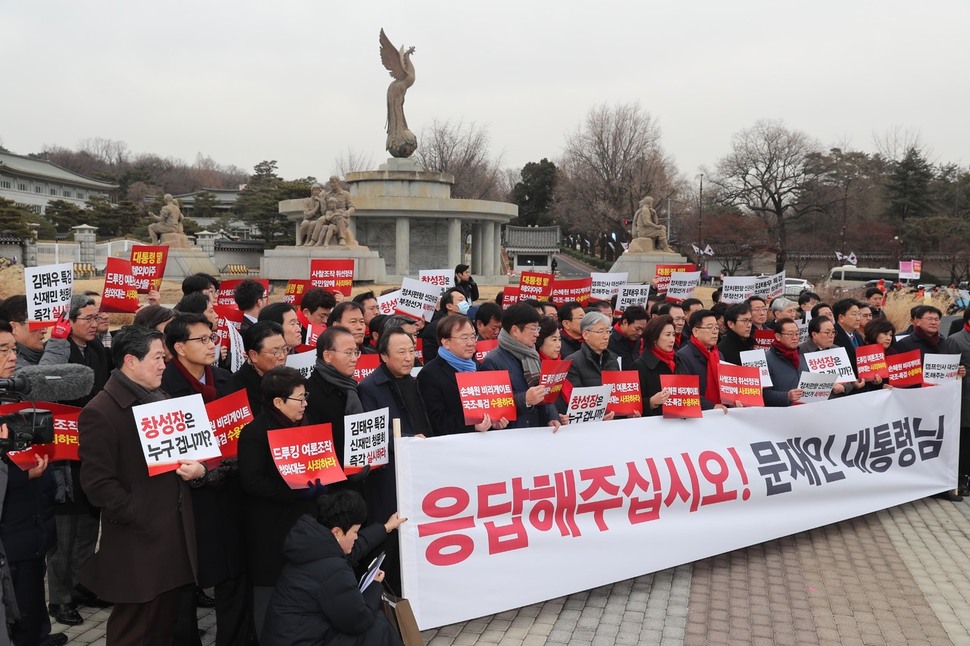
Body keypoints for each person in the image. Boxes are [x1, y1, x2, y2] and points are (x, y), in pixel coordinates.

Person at [78, 325, 207, 646]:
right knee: (134, 632)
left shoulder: (160, 399)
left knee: (162, 629)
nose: (164, 364)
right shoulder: (101, 411)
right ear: (130, 362)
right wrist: (140, 512)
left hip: (173, 537)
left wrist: (197, 467)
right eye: (157, 358)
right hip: (140, 542)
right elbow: (97, 485)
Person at [161, 314, 251, 646]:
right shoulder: (163, 390)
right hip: (184, 499)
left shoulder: (227, 381)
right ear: (179, 348)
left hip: (228, 490)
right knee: (186, 581)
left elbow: (243, 436)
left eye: (212, 337)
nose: (212, 344)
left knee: (233, 572)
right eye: (202, 340)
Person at [260, 491, 404, 646]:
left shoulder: (312, 545)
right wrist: (375, 585)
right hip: (303, 641)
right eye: (355, 532)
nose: (356, 537)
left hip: (289, 637)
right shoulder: (333, 569)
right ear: (336, 532)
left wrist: (386, 527)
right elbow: (359, 620)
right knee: (377, 626)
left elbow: (356, 546)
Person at [237, 367, 319, 636]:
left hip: (304, 523)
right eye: (300, 398)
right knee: (269, 596)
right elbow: (251, 481)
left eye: (305, 396)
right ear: (278, 402)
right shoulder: (255, 433)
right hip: (269, 529)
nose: (305, 403)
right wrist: (292, 492)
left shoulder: (306, 424)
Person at [358, 326, 432, 590]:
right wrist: (407, 443)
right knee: (391, 542)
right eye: (401, 352)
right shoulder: (368, 387)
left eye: (412, 350)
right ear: (384, 356)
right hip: (388, 477)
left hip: (419, 470)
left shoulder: (415, 381)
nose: (408, 357)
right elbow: (373, 436)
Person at [418, 316, 507, 437]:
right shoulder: (429, 374)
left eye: (473, 336)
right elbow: (435, 421)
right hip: (452, 448)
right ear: (446, 342)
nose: (471, 343)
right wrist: (472, 426)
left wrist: (494, 422)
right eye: (464, 338)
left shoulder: (477, 367)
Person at [481, 304, 564, 430]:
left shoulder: (533, 355)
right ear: (515, 330)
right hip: (515, 434)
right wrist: (525, 399)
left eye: (538, 329)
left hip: (537, 430)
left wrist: (553, 417)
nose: (537, 334)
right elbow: (494, 404)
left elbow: (543, 393)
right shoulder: (492, 361)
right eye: (533, 329)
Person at [798, 316, 867, 395]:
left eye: (833, 332)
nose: (831, 336)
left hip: (837, 399)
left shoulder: (836, 349)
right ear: (814, 334)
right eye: (827, 332)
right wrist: (828, 386)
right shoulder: (801, 351)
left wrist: (844, 387)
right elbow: (800, 381)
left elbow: (849, 378)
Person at [233, 321, 287, 417]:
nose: (282, 356)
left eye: (284, 349)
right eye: (275, 352)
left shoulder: (291, 380)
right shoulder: (234, 390)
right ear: (254, 355)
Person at [675, 310, 726, 411]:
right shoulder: (683, 356)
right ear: (695, 331)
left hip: (721, 413)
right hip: (698, 414)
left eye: (716, 327)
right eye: (709, 327)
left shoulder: (718, 355)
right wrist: (711, 407)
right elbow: (685, 391)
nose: (715, 331)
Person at [943, 308, 970, 497]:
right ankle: (961, 478)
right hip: (965, 399)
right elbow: (949, 373)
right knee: (964, 441)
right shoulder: (956, 340)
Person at [632, 315, 676, 416]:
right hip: (654, 424)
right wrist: (652, 402)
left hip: (677, 421)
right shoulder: (640, 365)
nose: (672, 339)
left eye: (673, 335)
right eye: (668, 335)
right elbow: (632, 402)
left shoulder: (677, 361)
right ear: (654, 338)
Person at [763, 318, 805, 407]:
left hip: (804, 410)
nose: (795, 337)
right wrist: (786, 396)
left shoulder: (801, 356)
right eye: (790, 334)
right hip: (780, 414)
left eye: (797, 334)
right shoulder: (766, 360)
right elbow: (763, 394)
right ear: (778, 336)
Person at [0, 295, 47, 370]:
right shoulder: (9, 363)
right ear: (13, 327)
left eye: (44, 324)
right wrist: (58, 343)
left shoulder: (46, 351)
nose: (44, 331)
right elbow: (42, 378)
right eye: (37, 324)